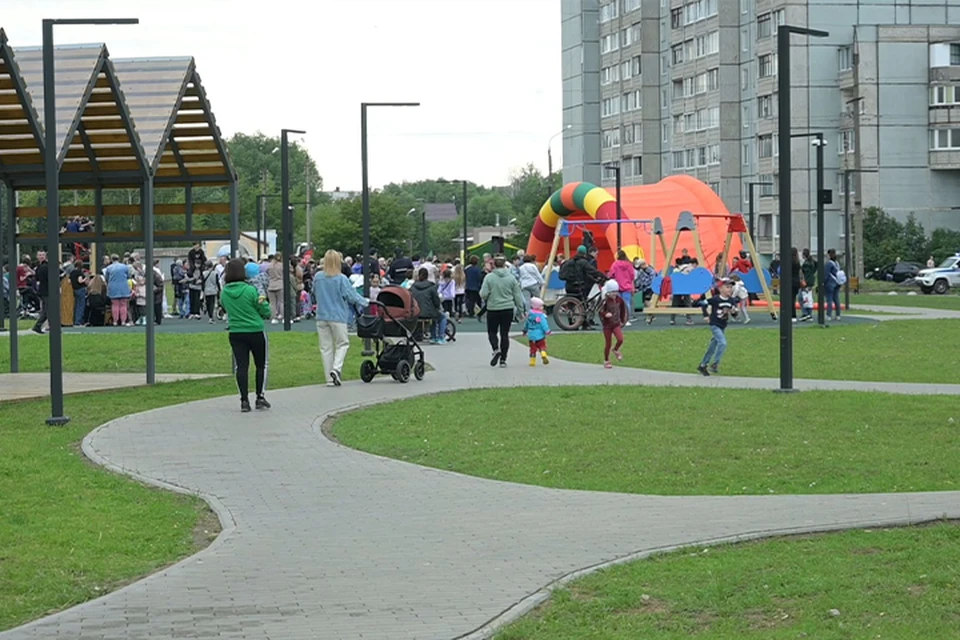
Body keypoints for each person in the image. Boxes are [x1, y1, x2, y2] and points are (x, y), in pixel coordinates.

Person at [219, 258, 272, 413]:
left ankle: (244, 400)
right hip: (255, 330)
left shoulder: (225, 293)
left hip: (236, 331)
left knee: (241, 366)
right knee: (261, 364)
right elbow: (264, 310)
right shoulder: (250, 290)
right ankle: (260, 396)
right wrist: (265, 308)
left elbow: (224, 307)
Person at [313, 249, 369, 387]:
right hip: (337, 316)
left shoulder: (318, 277)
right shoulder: (341, 278)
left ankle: (329, 379)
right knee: (342, 344)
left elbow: (313, 293)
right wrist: (365, 301)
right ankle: (336, 369)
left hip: (321, 315)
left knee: (325, 348)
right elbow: (351, 296)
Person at [480, 255, 525, 367]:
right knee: (504, 334)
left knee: (492, 332)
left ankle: (496, 349)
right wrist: (521, 309)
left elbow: (483, 294)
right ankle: (503, 360)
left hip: (493, 308)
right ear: (505, 264)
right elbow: (517, 295)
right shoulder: (511, 278)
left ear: (494, 264)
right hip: (508, 308)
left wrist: (489, 295)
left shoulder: (489, 277)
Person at [697, 278, 738, 376]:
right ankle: (715, 364)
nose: (730, 289)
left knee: (713, 346)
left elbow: (735, 315)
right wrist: (706, 315)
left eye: (731, 287)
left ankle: (703, 365)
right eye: (727, 287)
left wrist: (734, 312)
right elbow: (703, 304)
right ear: (720, 289)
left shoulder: (731, 301)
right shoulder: (715, 299)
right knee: (723, 343)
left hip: (723, 325)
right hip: (715, 324)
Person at [411, 267, 446, 345]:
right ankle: (440, 337)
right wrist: (437, 307)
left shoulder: (413, 287)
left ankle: (433, 337)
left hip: (417, 313)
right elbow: (436, 301)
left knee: (434, 316)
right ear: (427, 276)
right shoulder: (432, 286)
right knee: (442, 317)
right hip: (429, 312)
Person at [599, 280, 628, 369]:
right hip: (607, 325)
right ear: (608, 292)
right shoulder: (605, 301)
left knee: (620, 339)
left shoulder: (619, 300)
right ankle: (606, 360)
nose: (614, 294)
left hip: (616, 323)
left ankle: (615, 349)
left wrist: (623, 320)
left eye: (616, 292)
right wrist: (605, 314)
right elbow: (600, 311)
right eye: (612, 292)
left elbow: (623, 310)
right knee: (608, 343)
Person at [608, 249, 636, 324]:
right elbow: (632, 276)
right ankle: (627, 319)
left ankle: (620, 319)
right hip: (627, 286)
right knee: (627, 303)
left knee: (618, 303)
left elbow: (611, 274)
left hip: (617, 286)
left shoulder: (615, 264)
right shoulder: (629, 265)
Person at [522, 296, 550, 366]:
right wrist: (547, 330)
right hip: (540, 335)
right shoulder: (541, 315)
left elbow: (526, 324)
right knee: (542, 345)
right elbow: (544, 324)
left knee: (532, 348)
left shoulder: (530, 315)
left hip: (531, 335)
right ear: (537, 307)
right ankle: (543, 354)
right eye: (541, 306)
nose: (542, 308)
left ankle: (532, 361)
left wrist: (525, 331)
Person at [30, 252, 51, 334]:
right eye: (40, 255)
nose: (41, 256)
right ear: (37, 256)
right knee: (48, 310)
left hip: (45, 290)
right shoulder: (41, 267)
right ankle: (40, 326)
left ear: (45, 256)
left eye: (42, 255)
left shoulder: (41, 267)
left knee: (46, 310)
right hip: (45, 291)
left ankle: (38, 326)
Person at [824, 248, 842, 321]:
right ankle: (838, 315)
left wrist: (823, 283)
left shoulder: (829, 264)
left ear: (829, 255)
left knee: (829, 299)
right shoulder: (837, 263)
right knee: (836, 299)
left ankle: (829, 315)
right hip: (837, 282)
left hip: (830, 283)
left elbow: (826, 274)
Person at [266, 254, 284, 324]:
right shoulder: (281, 265)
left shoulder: (270, 265)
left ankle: (273, 318)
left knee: (272, 303)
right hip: (280, 284)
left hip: (271, 284)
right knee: (281, 302)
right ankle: (283, 316)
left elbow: (267, 273)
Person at [69, 260, 88, 327]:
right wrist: (85, 278)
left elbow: (69, 281)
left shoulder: (72, 272)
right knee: (81, 306)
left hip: (75, 290)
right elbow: (80, 281)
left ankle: (75, 321)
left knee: (76, 305)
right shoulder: (79, 272)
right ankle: (78, 322)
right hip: (81, 289)